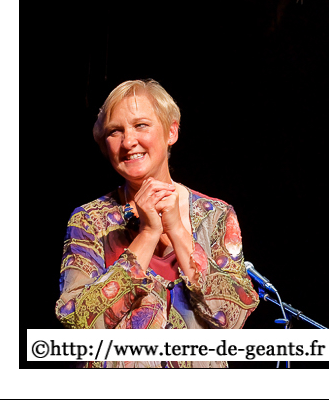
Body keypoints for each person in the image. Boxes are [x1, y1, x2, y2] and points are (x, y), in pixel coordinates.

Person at [55, 79, 259, 368]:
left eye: (141, 125)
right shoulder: (90, 220)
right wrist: (149, 233)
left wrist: (177, 230)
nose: (128, 142)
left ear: (171, 132)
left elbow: (232, 319)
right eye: (115, 131)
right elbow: (77, 323)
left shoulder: (215, 215)